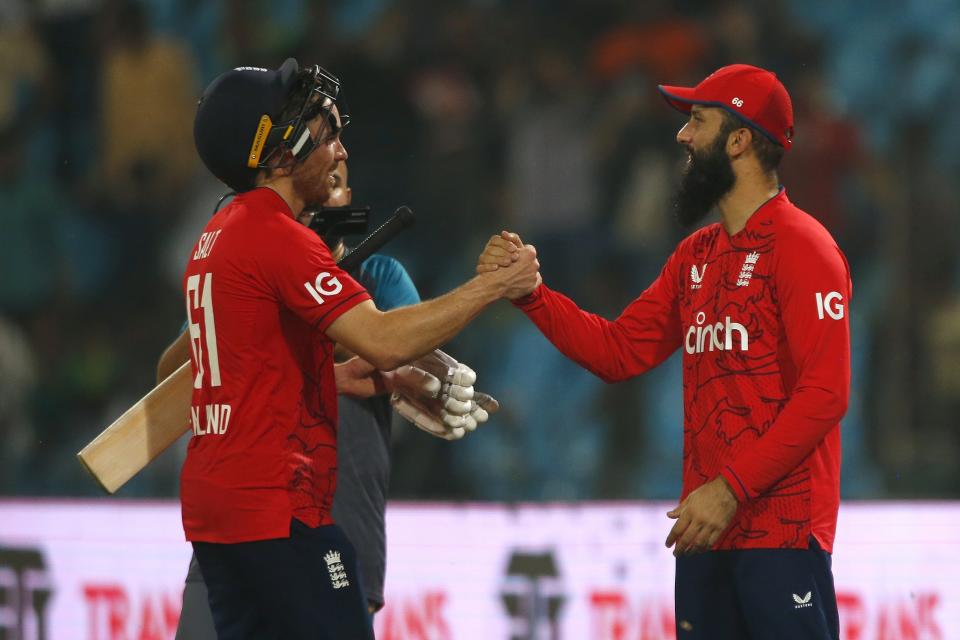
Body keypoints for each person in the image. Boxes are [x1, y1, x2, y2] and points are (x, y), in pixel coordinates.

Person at [479, 64, 850, 639]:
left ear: (740, 139)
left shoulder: (804, 247)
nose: (682, 136)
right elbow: (617, 351)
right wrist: (531, 294)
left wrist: (730, 489)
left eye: (697, 121)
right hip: (704, 533)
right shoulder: (695, 257)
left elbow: (826, 395)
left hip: (779, 530)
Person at [176, 59, 539, 639]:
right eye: (327, 135)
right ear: (281, 153)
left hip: (218, 508)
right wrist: (494, 284)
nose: (342, 152)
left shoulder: (217, 236)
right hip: (279, 505)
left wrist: (346, 376)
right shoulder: (278, 237)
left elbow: (212, 365)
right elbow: (385, 339)